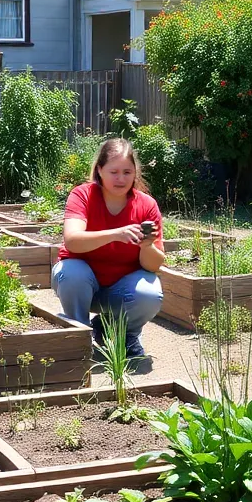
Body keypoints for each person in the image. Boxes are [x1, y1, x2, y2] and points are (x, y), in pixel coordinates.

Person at [53, 137, 165, 358]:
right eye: (114, 172)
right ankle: (79, 335)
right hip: (81, 285)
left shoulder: (146, 205)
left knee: (151, 293)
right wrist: (116, 234)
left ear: (135, 174)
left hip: (120, 290)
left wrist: (147, 245)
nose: (121, 179)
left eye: (127, 172)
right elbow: (72, 240)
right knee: (72, 272)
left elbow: (153, 265)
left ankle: (119, 331)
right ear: (100, 170)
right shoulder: (82, 195)